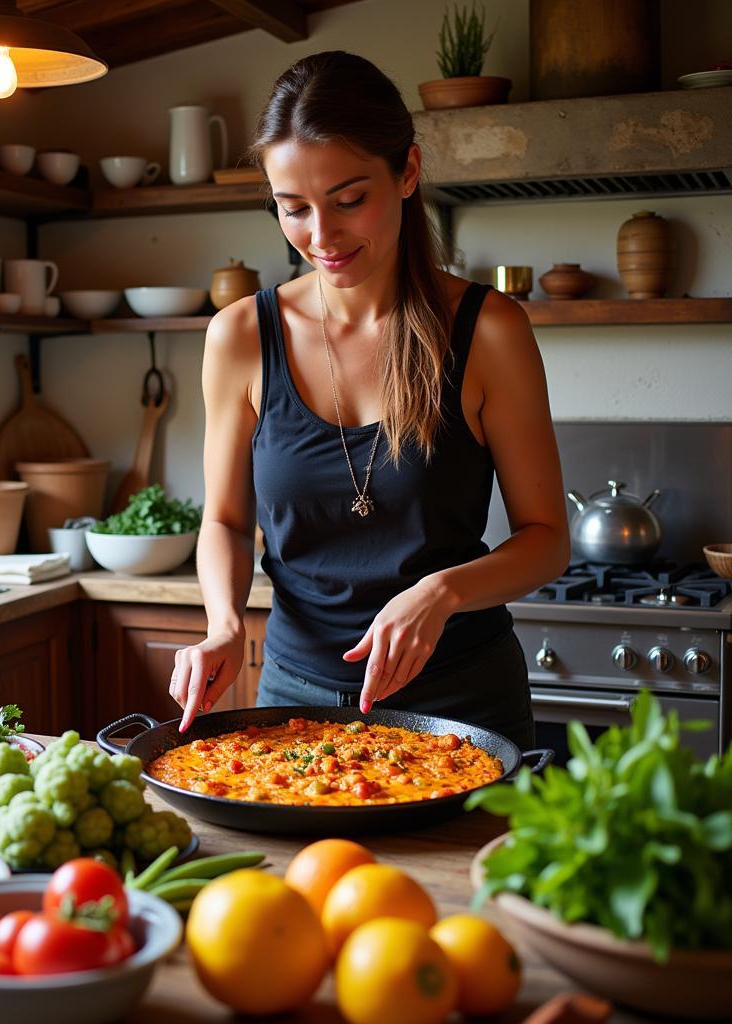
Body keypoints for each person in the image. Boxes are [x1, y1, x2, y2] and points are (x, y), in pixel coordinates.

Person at [169, 51, 569, 748]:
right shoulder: (240, 334)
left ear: (407, 172)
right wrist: (224, 624)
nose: (321, 238)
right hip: (294, 699)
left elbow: (546, 541)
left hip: (463, 702)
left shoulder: (488, 330)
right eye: (293, 209)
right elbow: (228, 521)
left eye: (349, 199)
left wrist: (442, 593)